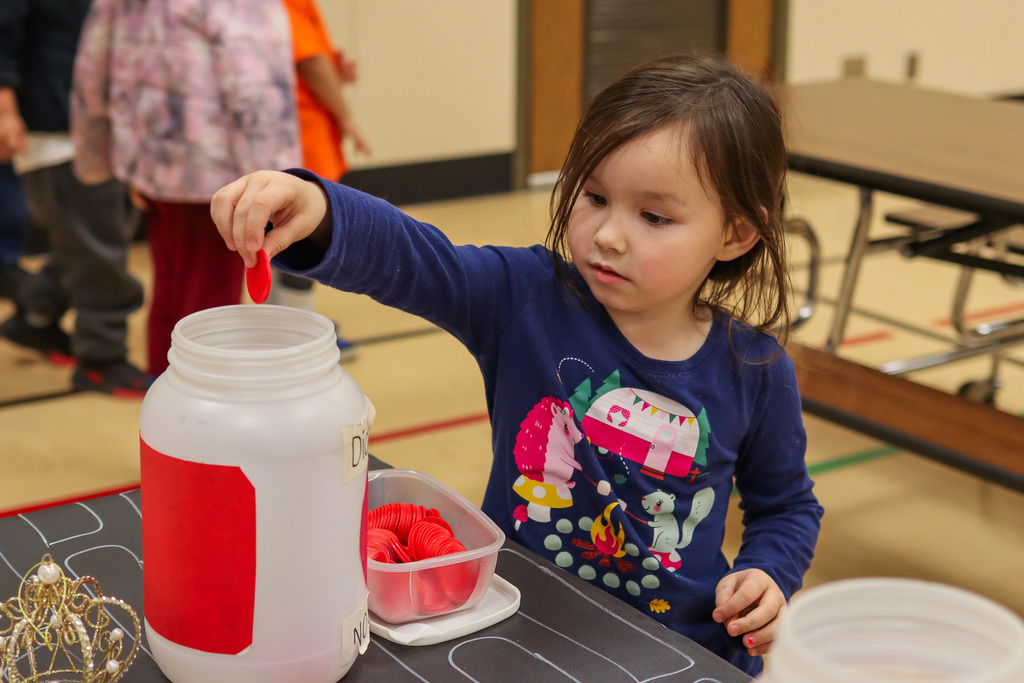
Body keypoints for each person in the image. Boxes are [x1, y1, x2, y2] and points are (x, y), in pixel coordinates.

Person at [211, 54, 823, 676]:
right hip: (518, 628)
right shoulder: (524, 296)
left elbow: (787, 507)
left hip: (681, 652)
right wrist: (319, 210)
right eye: (594, 196)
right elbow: (417, 257)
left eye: (655, 217)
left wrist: (766, 573)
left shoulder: (756, 367)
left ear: (736, 234)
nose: (609, 235)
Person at [71, 0, 302, 378]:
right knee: (209, 311)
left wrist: (117, 157)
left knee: (172, 293)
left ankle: (163, 406)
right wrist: (276, 184)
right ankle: (195, 418)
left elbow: (92, 69)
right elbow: (257, 90)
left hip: (157, 166)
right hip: (219, 176)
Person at [0, 0, 149, 395]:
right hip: (56, 124)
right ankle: (102, 358)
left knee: (88, 240)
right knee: (98, 244)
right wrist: (3, 110)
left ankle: (35, 314)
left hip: (99, 120)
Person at [275, 0, 370, 358]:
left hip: (299, 134)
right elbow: (310, 63)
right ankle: (299, 341)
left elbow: (312, 58)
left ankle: (286, 325)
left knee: (283, 235)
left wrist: (331, 67)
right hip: (303, 138)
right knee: (303, 234)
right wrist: (346, 117)